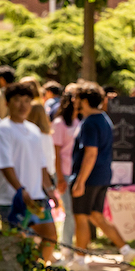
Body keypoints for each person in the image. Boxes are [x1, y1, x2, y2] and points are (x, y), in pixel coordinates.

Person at [69, 82, 135, 268]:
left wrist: (80, 181)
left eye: (76, 97)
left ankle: (79, 261)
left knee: (81, 217)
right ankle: (126, 250)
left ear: (84, 100)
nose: (73, 101)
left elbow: (90, 153)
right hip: (102, 175)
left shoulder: (90, 122)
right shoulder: (104, 118)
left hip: (89, 177)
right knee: (96, 215)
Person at [0, 82, 58, 262]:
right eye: (17, 100)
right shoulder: (2, 131)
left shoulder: (34, 130)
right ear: (7, 103)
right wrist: (20, 190)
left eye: (26, 101)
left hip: (37, 197)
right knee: (17, 245)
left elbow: (41, 164)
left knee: (50, 237)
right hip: (12, 199)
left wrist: (49, 189)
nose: (22, 105)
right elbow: (4, 164)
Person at [50, 85, 78, 256]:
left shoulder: (81, 121)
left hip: (77, 173)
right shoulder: (60, 123)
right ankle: (66, 247)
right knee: (69, 211)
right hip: (64, 173)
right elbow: (56, 153)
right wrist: (59, 177)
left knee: (75, 212)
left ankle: (72, 245)